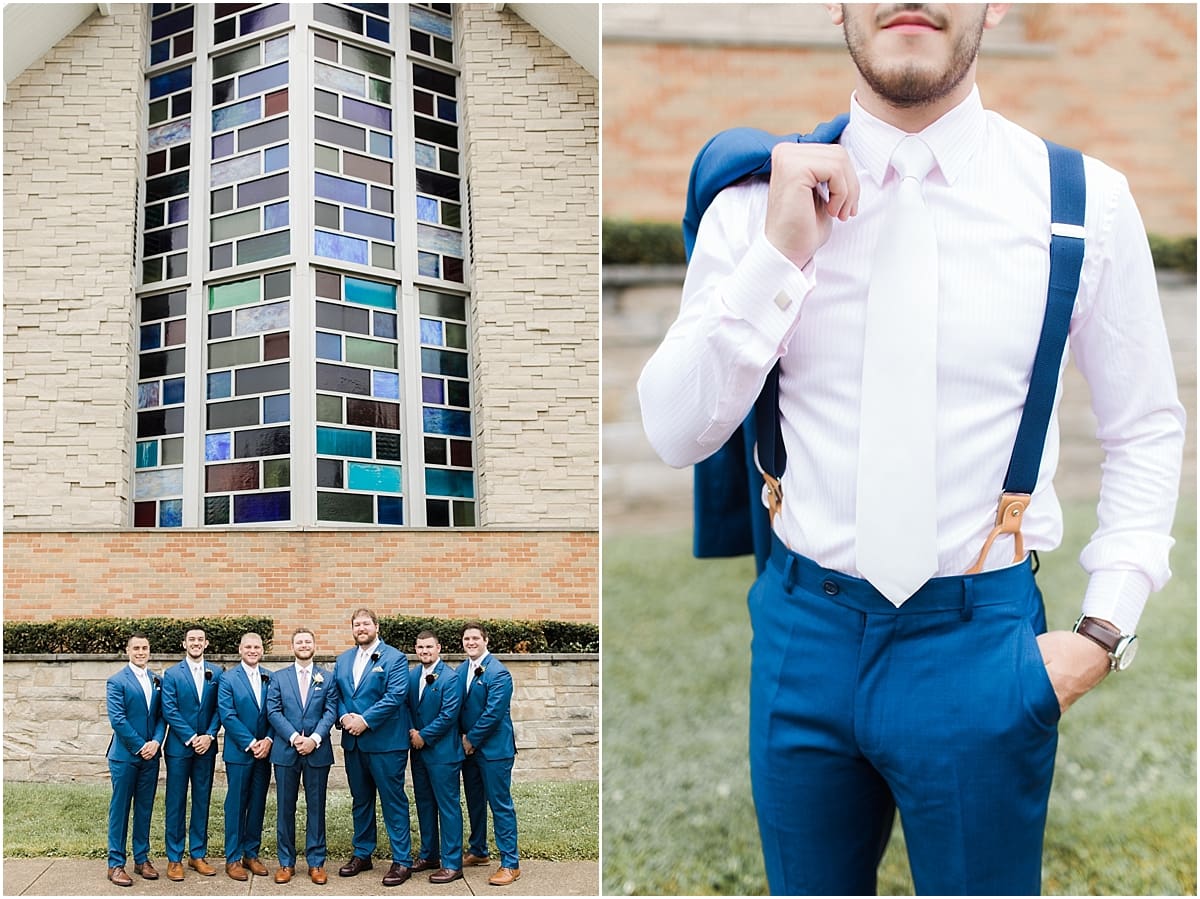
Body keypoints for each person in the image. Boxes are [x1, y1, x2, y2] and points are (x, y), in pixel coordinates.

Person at [637, 4, 1184, 896]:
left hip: (981, 639)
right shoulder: (756, 202)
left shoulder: (1084, 203)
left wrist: (1104, 627)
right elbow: (673, 430)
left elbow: (1146, 425)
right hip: (801, 630)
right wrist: (778, 257)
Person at [331, 608, 414, 887]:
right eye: (357, 624)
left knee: (393, 801)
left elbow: (395, 696)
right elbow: (338, 695)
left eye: (366, 623)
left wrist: (365, 720)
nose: (361, 628)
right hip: (354, 744)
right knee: (361, 800)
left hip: (386, 744)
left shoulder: (395, 658)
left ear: (376, 626)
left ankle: (402, 860)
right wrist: (344, 717)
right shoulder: (343, 660)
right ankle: (362, 853)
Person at [266, 627, 339, 885]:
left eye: (308, 641)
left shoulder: (327, 678)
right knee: (285, 807)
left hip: (317, 752)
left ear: (314, 645)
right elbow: (273, 711)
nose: (304, 645)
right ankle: (286, 862)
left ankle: (316, 862)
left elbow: (331, 711)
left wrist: (314, 740)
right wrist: (296, 738)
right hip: (286, 751)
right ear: (293, 646)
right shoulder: (279, 677)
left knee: (316, 807)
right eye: (300, 642)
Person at [458, 623, 520, 887]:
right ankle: (479, 850)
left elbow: (493, 714)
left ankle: (510, 863)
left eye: (475, 638)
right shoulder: (462, 670)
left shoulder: (499, 673)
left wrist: (471, 740)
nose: (471, 642)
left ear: (486, 640)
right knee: (474, 801)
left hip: (495, 751)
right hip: (469, 753)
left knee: (500, 805)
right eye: (466, 638)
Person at [160, 626, 223, 881]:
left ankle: (197, 853)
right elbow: (169, 709)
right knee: (175, 801)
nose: (196, 643)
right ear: (184, 644)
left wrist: (208, 735)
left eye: (200, 639)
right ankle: (174, 857)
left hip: (206, 747)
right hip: (179, 747)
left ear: (206, 644)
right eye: (191, 640)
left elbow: (221, 708)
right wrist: (191, 737)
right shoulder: (172, 674)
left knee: (202, 799)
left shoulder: (217, 673)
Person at [105, 633, 166, 887]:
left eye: (145, 648)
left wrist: (156, 742)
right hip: (125, 756)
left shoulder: (157, 680)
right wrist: (141, 746)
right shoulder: (117, 681)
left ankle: (141, 858)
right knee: (120, 809)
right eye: (136, 648)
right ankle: (115, 863)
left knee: (144, 807)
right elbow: (117, 719)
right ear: (128, 650)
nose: (141, 652)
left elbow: (163, 716)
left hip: (151, 756)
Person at [407, 630, 465, 883]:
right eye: (420, 647)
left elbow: (449, 715)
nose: (424, 651)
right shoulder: (411, 677)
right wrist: (411, 732)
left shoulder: (450, 678)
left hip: (443, 754)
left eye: (429, 647)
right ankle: (429, 854)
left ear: (438, 648)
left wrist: (423, 736)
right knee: (425, 804)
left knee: (448, 807)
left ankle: (452, 863)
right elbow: (406, 708)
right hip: (418, 754)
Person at [217, 632, 273, 881]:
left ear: (262, 650)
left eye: (257, 647)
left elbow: (275, 712)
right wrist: (251, 743)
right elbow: (227, 716)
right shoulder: (228, 679)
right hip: (239, 752)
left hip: (265, 752)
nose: (252, 650)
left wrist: (269, 740)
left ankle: (251, 853)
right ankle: (233, 857)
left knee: (258, 803)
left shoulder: (270, 677)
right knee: (237, 805)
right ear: (240, 650)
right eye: (248, 646)